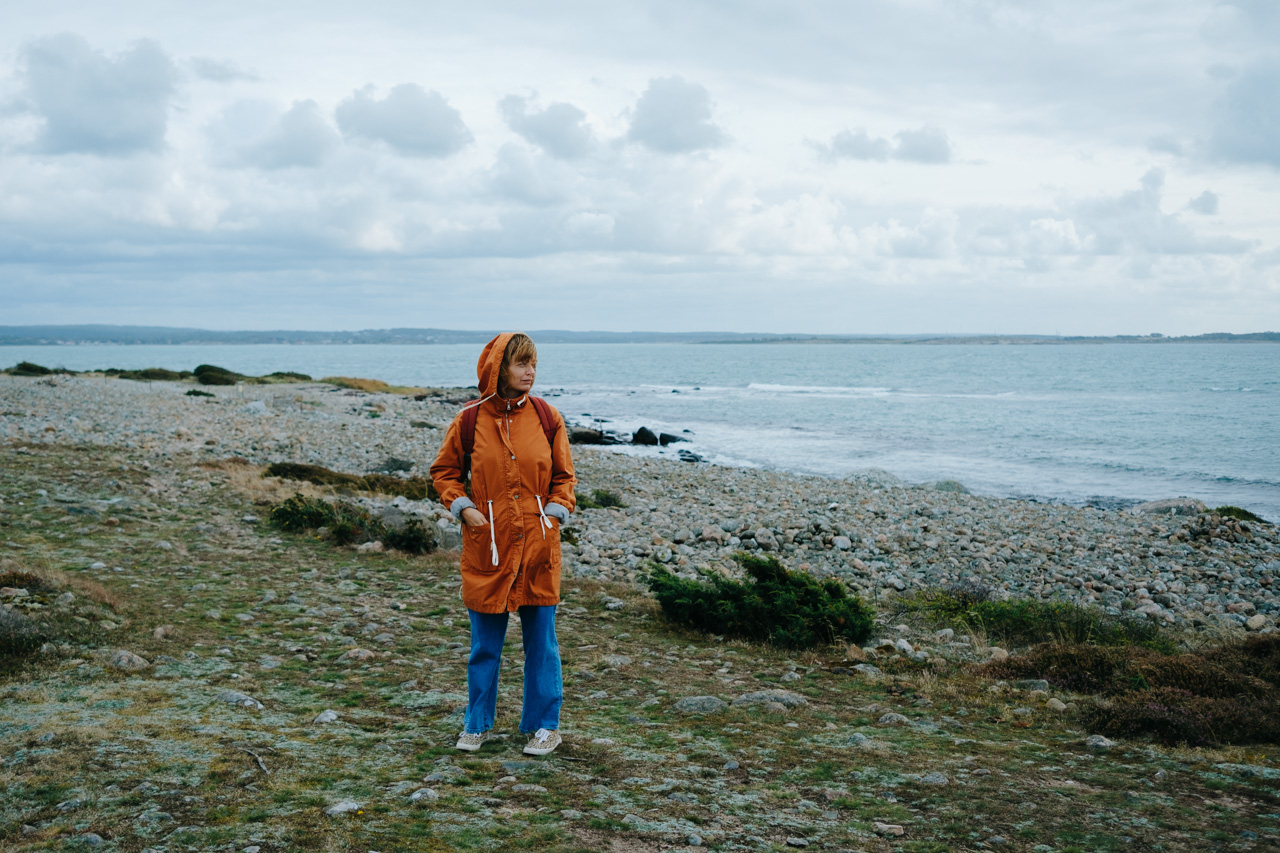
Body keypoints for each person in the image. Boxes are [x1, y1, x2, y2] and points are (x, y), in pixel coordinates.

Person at [430, 332, 576, 755]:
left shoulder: (548, 417)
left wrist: (553, 514)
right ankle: (476, 723)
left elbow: (565, 478)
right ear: (499, 369)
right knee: (485, 646)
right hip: (486, 544)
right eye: (521, 364)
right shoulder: (470, 421)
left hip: (538, 546)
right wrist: (464, 509)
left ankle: (545, 725)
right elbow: (444, 472)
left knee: (542, 644)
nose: (530, 372)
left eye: (534, 364)